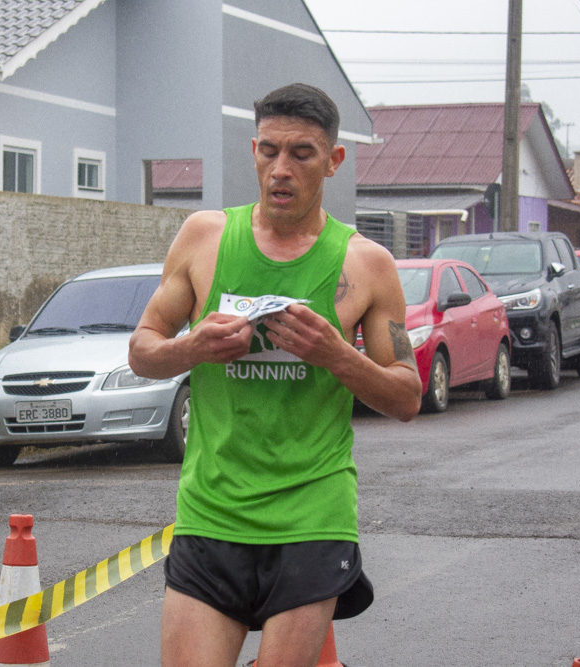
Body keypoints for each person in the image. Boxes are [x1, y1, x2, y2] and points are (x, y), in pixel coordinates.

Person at [127, 83, 423, 667]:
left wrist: (337, 355)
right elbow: (142, 350)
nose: (280, 169)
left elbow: (408, 395)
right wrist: (194, 348)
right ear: (254, 150)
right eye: (269, 151)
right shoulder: (204, 238)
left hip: (312, 513)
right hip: (212, 509)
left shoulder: (366, 264)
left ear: (333, 160)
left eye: (301, 154)